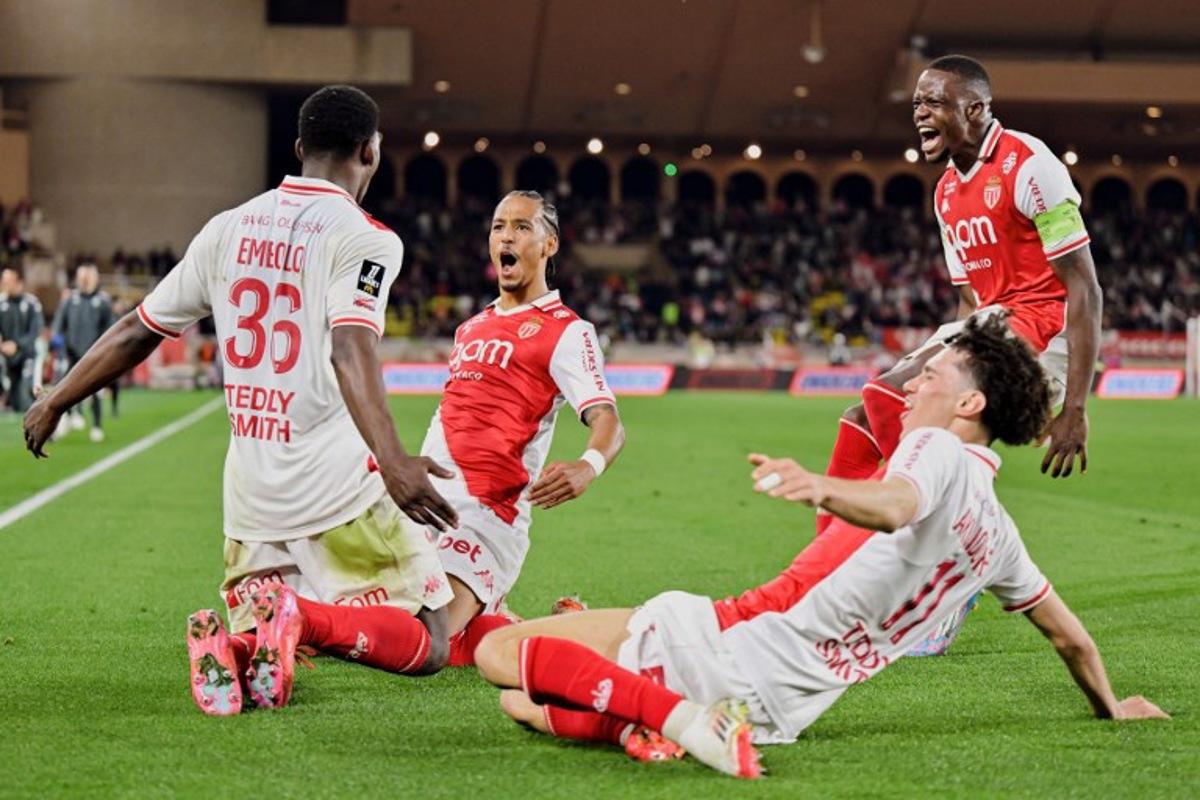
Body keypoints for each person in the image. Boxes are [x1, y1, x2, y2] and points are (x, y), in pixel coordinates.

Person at [472, 317, 1168, 780]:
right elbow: (1070, 639)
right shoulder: (1001, 539)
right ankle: (644, 722)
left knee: (495, 655)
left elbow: (897, 505)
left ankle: (679, 719)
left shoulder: (934, 452)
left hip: (725, 643)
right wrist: (1113, 706)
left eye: (939, 372)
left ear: (969, 406)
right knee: (527, 706)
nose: (920, 378)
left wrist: (821, 488)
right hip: (779, 713)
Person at [23, 85, 459, 716]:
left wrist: (57, 398)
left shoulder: (227, 228)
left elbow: (137, 329)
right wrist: (393, 458)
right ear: (371, 151)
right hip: (338, 486)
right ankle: (303, 620)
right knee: (431, 638)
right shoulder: (367, 238)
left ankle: (239, 644)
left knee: (265, 637)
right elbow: (350, 347)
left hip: (250, 495)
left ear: (300, 146)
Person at [818, 55, 1103, 655]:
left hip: (1041, 332)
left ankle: (939, 589)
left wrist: (1074, 405)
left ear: (974, 108)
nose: (920, 112)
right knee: (863, 419)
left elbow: (1083, 286)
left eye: (934, 102)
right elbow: (974, 299)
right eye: (916, 103)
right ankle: (829, 578)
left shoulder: (1032, 166)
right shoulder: (948, 191)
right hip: (994, 323)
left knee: (915, 417)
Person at [418, 189, 626, 667]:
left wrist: (588, 465)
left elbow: (609, 421)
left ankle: (566, 634)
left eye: (522, 227)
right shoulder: (470, 328)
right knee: (388, 622)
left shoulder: (566, 331)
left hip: (488, 517)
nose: (506, 236)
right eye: (498, 226)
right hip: (426, 508)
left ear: (549, 245)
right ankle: (551, 630)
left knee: (425, 640)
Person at [51, 263, 114, 441]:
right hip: (71, 352)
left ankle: (97, 425)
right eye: (82, 277)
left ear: (95, 279)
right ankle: (71, 414)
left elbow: (110, 327)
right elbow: (59, 323)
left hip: (94, 354)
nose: (85, 281)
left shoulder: (102, 301)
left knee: (96, 390)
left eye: (89, 277)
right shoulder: (70, 300)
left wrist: (105, 349)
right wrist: (57, 339)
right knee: (66, 386)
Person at [0, 266, 44, 413]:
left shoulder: (32, 303)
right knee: (14, 400)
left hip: (28, 355)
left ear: (18, 282)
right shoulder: (1, 303)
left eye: (7, 279)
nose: (3, 282)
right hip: (7, 357)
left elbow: (36, 330)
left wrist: (17, 345)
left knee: (26, 394)